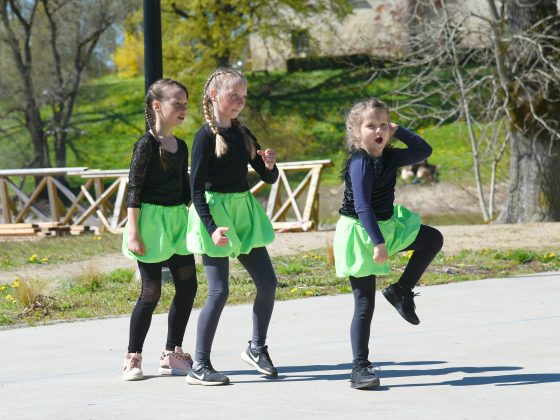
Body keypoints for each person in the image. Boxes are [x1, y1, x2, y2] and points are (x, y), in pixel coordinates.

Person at [333, 98, 444, 390]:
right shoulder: (360, 163)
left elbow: (424, 151)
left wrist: (399, 130)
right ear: (356, 132)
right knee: (364, 303)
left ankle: (401, 290)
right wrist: (378, 243)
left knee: (432, 239)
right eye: (371, 126)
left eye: (383, 125)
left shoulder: (390, 157)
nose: (379, 130)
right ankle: (360, 367)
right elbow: (362, 206)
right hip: (361, 232)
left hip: (386, 226)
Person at [185, 68, 279, 386]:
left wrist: (270, 165)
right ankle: (200, 365)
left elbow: (267, 177)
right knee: (219, 291)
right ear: (214, 95)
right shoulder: (204, 137)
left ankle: (257, 348)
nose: (240, 101)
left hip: (243, 211)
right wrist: (211, 227)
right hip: (214, 215)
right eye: (233, 94)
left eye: (244, 96)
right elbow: (195, 190)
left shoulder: (243, 134)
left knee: (267, 282)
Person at [121, 79, 197, 381]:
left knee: (188, 287)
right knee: (151, 292)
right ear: (157, 106)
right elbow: (134, 189)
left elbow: (184, 187)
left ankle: (171, 353)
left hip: (178, 221)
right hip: (150, 223)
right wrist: (133, 233)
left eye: (185, 104)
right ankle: (133, 357)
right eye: (176, 104)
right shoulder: (146, 145)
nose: (182, 109)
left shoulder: (182, 146)